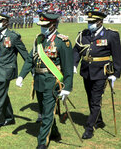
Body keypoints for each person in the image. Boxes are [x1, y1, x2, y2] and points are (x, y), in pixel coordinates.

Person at [16, 13, 74, 149]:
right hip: (38, 81)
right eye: (41, 26)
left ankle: (42, 142)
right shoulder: (39, 40)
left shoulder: (62, 41)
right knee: (44, 110)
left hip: (52, 82)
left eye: (45, 26)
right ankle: (54, 132)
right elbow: (30, 58)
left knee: (46, 113)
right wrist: (21, 76)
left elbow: (67, 67)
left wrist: (67, 87)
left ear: (53, 25)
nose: (42, 29)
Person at [73, 9, 121, 139]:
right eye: (89, 22)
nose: (90, 24)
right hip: (86, 71)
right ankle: (98, 120)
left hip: (101, 72)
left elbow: (117, 56)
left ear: (100, 21)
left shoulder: (111, 35)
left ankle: (89, 128)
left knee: (95, 100)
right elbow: (77, 50)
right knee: (90, 98)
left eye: (93, 22)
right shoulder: (84, 34)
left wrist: (115, 74)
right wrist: (74, 64)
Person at [0, 13, 29, 134]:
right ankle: (9, 117)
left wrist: (33, 70)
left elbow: (25, 55)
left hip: (6, 71)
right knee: (2, 95)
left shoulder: (13, 36)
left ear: (6, 22)